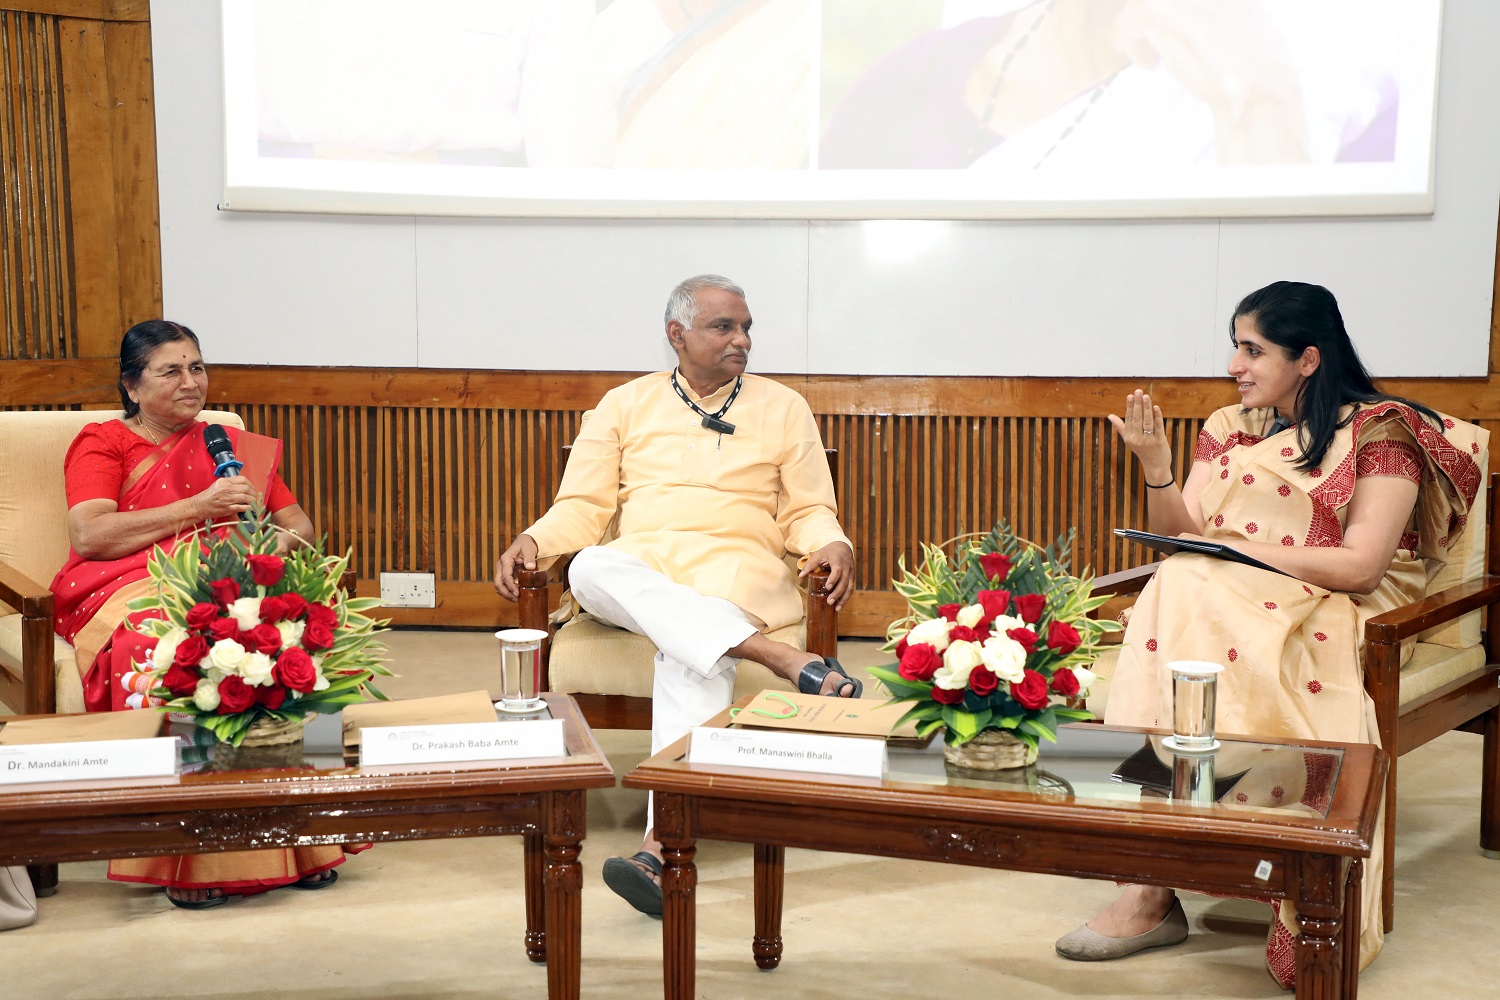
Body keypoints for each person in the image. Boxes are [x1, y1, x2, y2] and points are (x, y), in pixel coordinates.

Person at [1053, 282, 1483, 988]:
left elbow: (1364, 564)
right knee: (1181, 582)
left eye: (1252, 349)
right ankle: (1154, 873)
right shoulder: (1234, 427)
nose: (1235, 365)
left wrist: (1239, 556)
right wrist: (1157, 466)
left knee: (1187, 585)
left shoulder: (1381, 432)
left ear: (1308, 359)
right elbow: (1183, 536)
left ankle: (1192, 874)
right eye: (1236, 347)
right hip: (1232, 588)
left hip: (1349, 604)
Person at [494, 274, 856, 915]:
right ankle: (772, 656)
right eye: (724, 327)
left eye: (747, 328)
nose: (741, 340)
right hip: (641, 570)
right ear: (677, 334)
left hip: (736, 574)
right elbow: (581, 507)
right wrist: (533, 538)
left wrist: (834, 543)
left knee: (694, 648)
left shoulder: (783, 406)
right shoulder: (624, 404)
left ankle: (660, 847)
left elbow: (809, 510)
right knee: (586, 569)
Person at [47, 319, 363, 909]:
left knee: (308, 635)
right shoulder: (103, 442)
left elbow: (300, 529)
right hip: (129, 584)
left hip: (229, 577)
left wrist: (256, 560)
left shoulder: (229, 446)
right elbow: (89, 534)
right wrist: (201, 508)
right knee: (172, 646)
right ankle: (190, 852)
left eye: (197, 367)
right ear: (131, 386)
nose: (191, 382)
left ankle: (313, 837)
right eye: (171, 370)